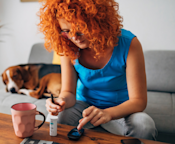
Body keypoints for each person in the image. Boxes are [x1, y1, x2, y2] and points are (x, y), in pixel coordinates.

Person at [37, 0, 157, 140]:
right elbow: (69, 92)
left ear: (97, 22)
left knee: (144, 126)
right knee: (61, 117)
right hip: (85, 107)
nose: (74, 38)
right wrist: (60, 101)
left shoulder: (129, 44)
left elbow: (138, 101)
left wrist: (108, 113)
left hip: (122, 109)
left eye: (80, 29)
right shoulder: (67, 46)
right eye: (67, 31)